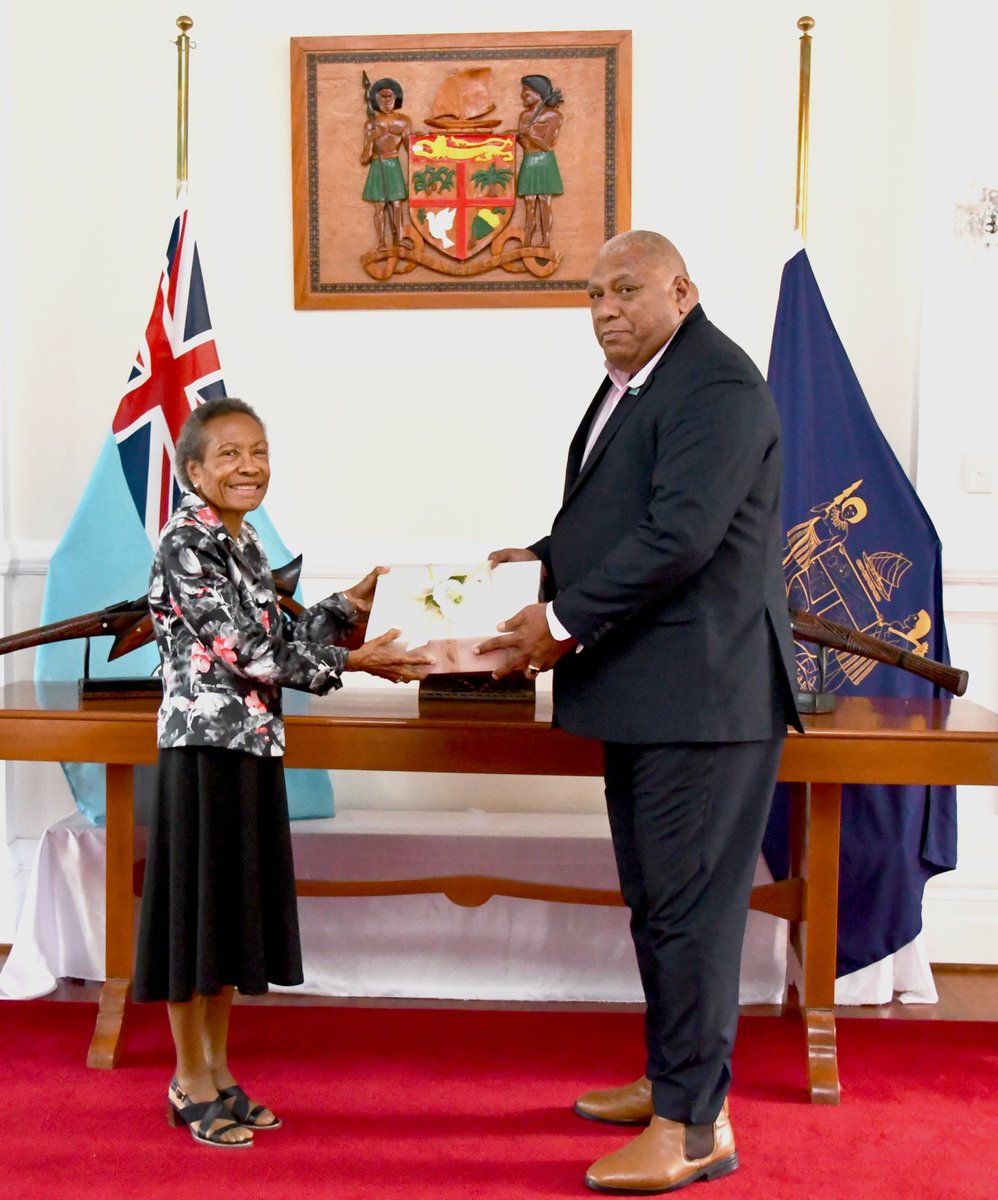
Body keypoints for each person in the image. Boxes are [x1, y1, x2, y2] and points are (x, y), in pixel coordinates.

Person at [477, 231, 801, 1193]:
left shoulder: (715, 383)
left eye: (626, 289)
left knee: (692, 915)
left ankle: (695, 1127)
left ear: (681, 290)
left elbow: (681, 535)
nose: (607, 308)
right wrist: (538, 558)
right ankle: (676, 1083)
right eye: (592, 294)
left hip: (702, 698)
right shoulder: (649, 379)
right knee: (660, 904)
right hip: (655, 693)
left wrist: (562, 618)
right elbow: (623, 511)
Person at [133, 397, 431, 1148]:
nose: (248, 466)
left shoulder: (247, 539)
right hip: (203, 751)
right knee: (194, 920)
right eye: (228, 454)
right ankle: (186, 1080)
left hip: (254, 745)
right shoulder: (185, 542)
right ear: (192, 470)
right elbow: (247, 654)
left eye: (258, 451)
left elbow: (280, 633)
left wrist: (344, 608)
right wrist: (356, 662)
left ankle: (221, 1071)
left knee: (230, 917)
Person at [360, 77, 412, 250]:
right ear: (376, 99)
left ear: (397, 98)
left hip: (393, 164)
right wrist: (370, 141)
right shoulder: (371, 124)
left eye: (390, 97)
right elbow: (364, 158)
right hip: (377, 165)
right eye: (382, 97)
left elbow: (410, 150)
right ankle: (381, 242)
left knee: (397, 205)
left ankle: (399, 239)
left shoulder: (404, 121)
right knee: (380, 206)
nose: (386, 101)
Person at [515, 74, 564, 247]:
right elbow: (524, 143)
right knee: (529, 203)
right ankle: (527, 238)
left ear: (538, 94)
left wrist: (530, 133)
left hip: (543, 161)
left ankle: (546, 240)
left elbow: (545, 144)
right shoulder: (525, 116)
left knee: (544, 201)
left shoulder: (553, 116)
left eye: (526, 91)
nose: (522, 95)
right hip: (529, 159)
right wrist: (516, 137)